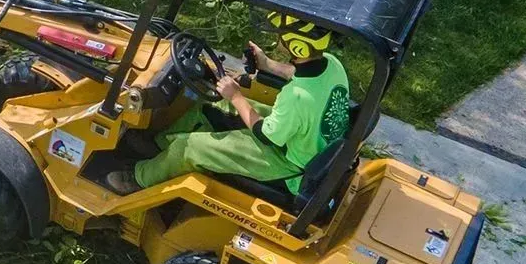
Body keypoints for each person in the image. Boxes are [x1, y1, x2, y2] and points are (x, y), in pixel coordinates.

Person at [104, 14, 351, 197]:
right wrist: (266, 64)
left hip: (290, 167)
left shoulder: (297, 96)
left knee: (190, 147)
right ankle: (158, 150)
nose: (278, 41)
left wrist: (236, 96)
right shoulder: (331, 64)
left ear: (297, 45)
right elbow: (294, 72)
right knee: (209, 105)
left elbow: (265, 136)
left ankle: (139, 178)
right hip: (306, 141)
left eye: (281, 37)